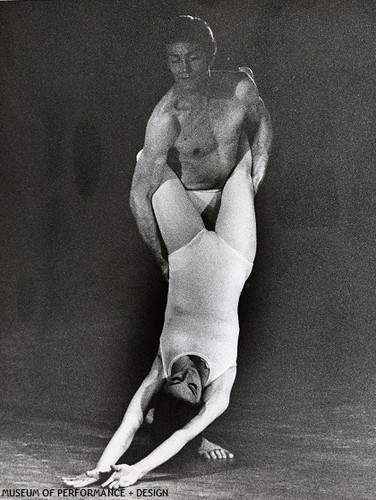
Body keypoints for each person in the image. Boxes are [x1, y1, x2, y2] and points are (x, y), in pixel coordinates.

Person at [63, 139, 256, 489]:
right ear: (202, 400)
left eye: (177, 380)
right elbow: (183, 433)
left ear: (166, 383)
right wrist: (138, 471)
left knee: (147, 160)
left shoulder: (160, 367)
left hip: (187, 248)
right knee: (242, 166)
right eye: (194, 386)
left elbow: (131, 422)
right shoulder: (222, 386)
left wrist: (102, 467)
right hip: (234, 254)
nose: (189, 375)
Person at [130, 15, 272, 280]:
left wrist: (258, 171)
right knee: (201, 288)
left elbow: (263, 118)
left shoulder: (240, 90)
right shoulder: (167, 118)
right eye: (175, 60)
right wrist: (160, 259)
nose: (184, 68)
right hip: (190, 203)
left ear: (211, 53)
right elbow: (139, 194)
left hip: (233, 194)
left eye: (193, 57)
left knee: (243, 284)